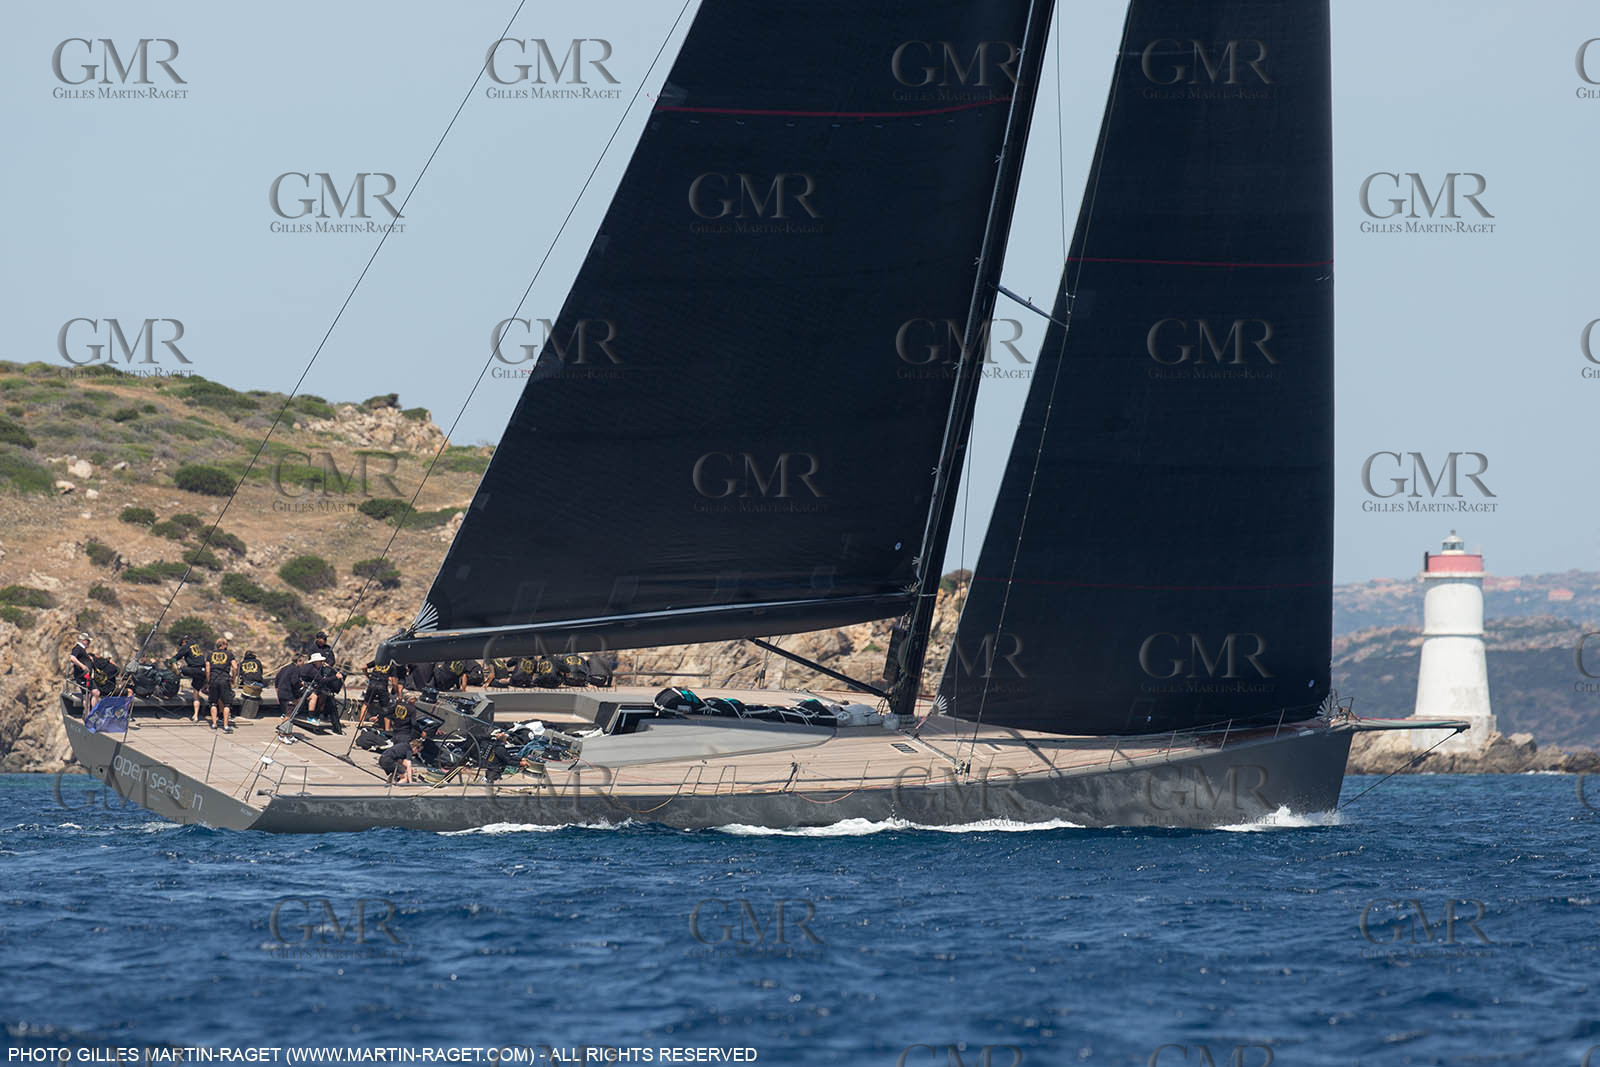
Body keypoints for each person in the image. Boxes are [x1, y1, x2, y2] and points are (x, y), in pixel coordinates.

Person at [170, 634, 208, 724]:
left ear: (184, 642)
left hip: (194, 669)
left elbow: (174, 658)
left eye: (181, 644)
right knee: (196, 693)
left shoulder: (186, 646)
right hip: (202, 671)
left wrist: (172, 663)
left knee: (179, 669)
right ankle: (195, 715)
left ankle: (173, 685)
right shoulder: (196, 646)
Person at [205, 638, 237, 733]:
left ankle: (214, 724)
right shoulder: (229, 654)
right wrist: (233, 678)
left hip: (213, 679)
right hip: (225, 679)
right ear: (224, 645)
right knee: (227, 703)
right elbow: (235, 667)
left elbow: (207, 669)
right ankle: (226, 725)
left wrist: (208, 680)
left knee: (213, 702)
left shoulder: (210, 654)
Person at [273, 652, 307, 743]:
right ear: (299, 661)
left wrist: (278, 693)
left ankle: (288, 734)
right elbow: (294, 682)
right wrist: (302, 684)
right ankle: (282, 735)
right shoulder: (296, 669)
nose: (304, 663)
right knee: (288, 715)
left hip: (282, 694)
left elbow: (276, 680)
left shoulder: (284, 668)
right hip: (288, 695)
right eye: (303, 661)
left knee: (290, 715)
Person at [358, 657, 399, 729]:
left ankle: (361, 723)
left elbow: (363, 667)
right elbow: (394, 681)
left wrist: (368, 676)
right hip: (382, 686)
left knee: (366, 703)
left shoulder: (378, 661)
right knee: (386, 708)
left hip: (372, 684)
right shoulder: (392, 666)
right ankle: (387, 729)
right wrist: (396, 690)